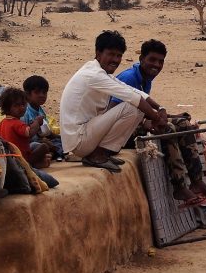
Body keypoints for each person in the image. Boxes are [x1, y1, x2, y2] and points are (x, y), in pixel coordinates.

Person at [114, 39, 206, 204]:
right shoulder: (130, 78)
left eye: (160, 61)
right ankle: (179, 186)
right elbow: (118, 113)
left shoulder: (145, 77)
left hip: (134, 121)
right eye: (152, 60)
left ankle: (196, 181)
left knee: (182, 123)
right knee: (167, 128)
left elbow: (142, 110)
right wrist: (152, 122)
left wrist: (175, 115)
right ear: (141, 59)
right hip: (120, 130)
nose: (157, 65)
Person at [59, 30, 168, 173]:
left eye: (119, 56)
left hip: (87, 134)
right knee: (133, 107)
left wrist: (161, 108)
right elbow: (133, 97)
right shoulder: (93, 75)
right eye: (111, 54)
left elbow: (133, 91)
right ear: (98, 53)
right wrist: (156, 118)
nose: (116, 60)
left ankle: (103, 153)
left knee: (136, 106)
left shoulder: (100, 71)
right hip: (80, 140)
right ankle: (98, 154)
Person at [0, 87, 52, 169]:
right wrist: (36, 122)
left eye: (23, 105)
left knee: (34, 145)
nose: (22, 108)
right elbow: (30, 133)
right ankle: (30, 165)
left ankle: (38, 162)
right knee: (44, 146)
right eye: (17, 105)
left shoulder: (2, 122)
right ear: (7, 107)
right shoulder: (16, 123)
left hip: (9, 157)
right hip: (20, 158)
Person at [22, 75, 64, 161]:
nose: (42, 95)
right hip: (30, 142)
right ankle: (51, 155)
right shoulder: (24, 112)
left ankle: (52, 154)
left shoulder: (40, 110)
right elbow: (24, 136)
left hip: (42, 139)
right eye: (37, 92)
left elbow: (46, 131)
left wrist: (60, 137)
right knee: (42, 146)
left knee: (62, 142)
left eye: (44, 92)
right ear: (28, 94)